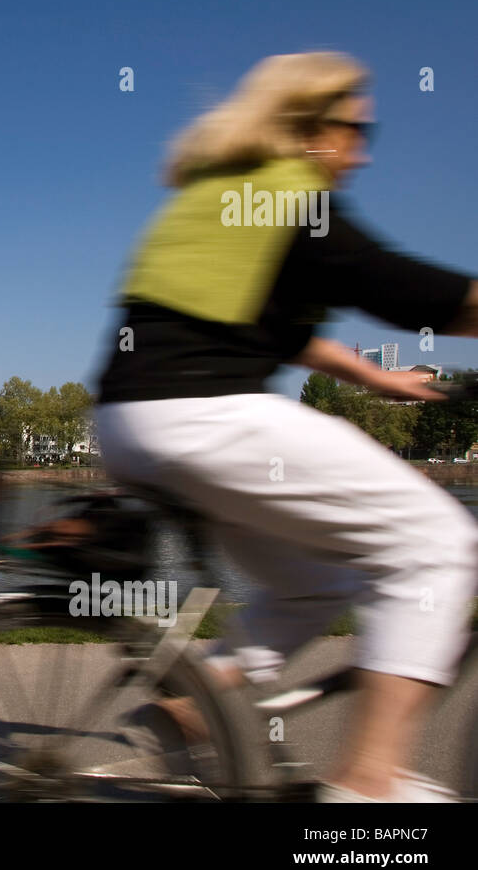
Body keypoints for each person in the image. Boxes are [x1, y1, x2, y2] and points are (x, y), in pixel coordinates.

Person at [93, 51, 478, 802]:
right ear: (307, 129)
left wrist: (372, 377)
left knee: (315, 584)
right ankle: (368, 790)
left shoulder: (221, 194)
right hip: (202, 417)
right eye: (352, 129)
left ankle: (187, 706)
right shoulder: (286, 192)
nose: (361, 150)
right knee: (438, 548)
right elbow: (401, 287)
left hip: (136, 420)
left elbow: (273, 331)